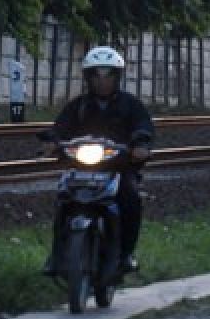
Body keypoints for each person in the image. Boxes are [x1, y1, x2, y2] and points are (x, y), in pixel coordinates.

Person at [42, 46, 154, 275]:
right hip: (80, 168)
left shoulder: (131, 104)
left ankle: (126, 255)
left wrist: (140, 144)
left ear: (117, 77)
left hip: (119, 168)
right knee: (63, 201)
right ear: (88, 78)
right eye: (97, 75)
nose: (103, 81)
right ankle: (57, 256)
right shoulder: (77, 106)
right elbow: (60, 127)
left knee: (131, 198)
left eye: (109, 75)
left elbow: (143, 126)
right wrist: (52, 140)